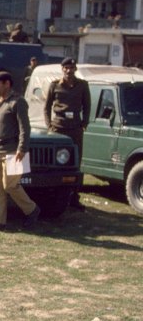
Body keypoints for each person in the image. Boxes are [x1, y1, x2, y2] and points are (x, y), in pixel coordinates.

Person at [0, 71, 40, 230]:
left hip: (13, 151)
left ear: (7, 84)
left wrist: (22, 148)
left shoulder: (18, 102)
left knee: (10, 185)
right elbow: (1, 125)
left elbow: (24, 128)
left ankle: (32, 210)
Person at [45, 57, 91, 211]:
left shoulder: (82, 85)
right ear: (62, 69)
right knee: (55, 162)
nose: (69, 70)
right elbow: (46, 107)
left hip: (75, 129)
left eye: (71, 68)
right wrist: (49, 125)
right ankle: (52, 195)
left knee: (75, 163)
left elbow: (87, 105)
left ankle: (74, 197)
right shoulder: (54, 85)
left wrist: (84, 123)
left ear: (75, 69)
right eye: (66, 68)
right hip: (58, 128)